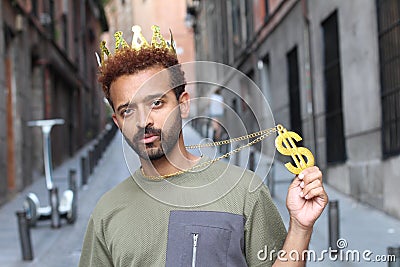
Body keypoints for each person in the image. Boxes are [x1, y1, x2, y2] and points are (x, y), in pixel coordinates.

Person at [79, 25, 328, 267]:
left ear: (183, 104)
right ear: (117, 122)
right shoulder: (107, 211)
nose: (144, 121)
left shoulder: (243, 191)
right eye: (128, 110)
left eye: (156, 103)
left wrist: (300, 227)